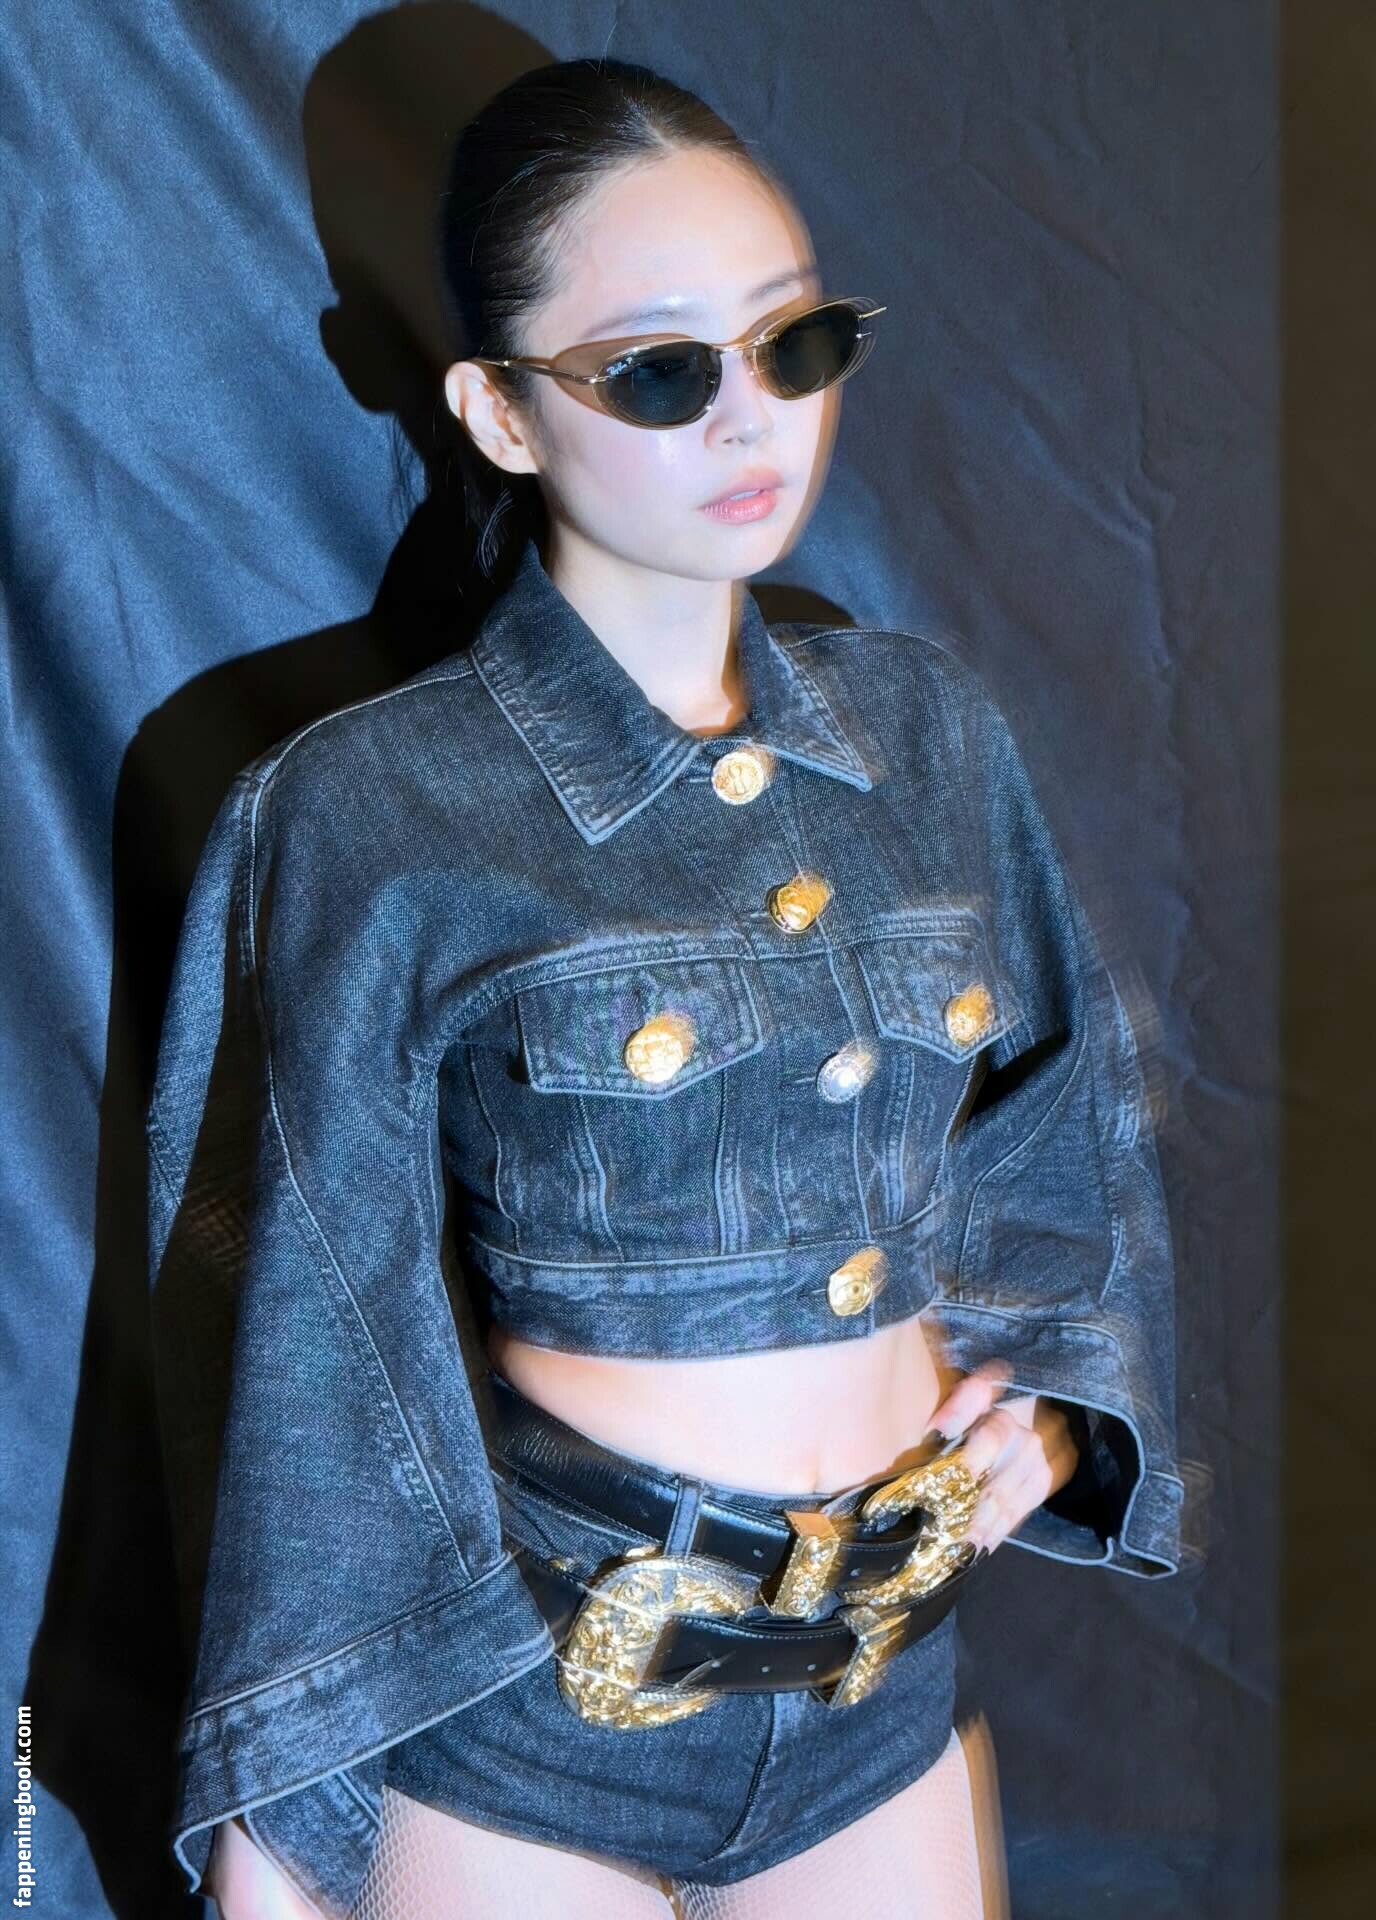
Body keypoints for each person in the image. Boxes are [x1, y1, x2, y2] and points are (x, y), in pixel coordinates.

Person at [147, 55, 1187, 1920]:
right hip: (522, 1715)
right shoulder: (366, 807)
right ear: (502, 410)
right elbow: (304, 1322)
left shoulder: (929, 733)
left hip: (880, 1700)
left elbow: (1065, 1120)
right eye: (657, 370)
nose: (749, 414)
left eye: (795, 342)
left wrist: (1049, 1398)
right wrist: (279, 1816)